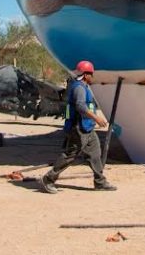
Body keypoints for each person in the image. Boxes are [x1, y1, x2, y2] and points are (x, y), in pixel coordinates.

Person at [40, 60, 117, 193]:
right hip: (79, 128)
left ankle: (100, 182)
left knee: (95, 153)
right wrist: (97, 118)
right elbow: (80, 106)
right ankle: (48, 179)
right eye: (91, 74)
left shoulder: (83, 86)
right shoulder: (79, 88)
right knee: (70, 155)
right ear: (86, 75)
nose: (92, 77)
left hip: (87, 128)